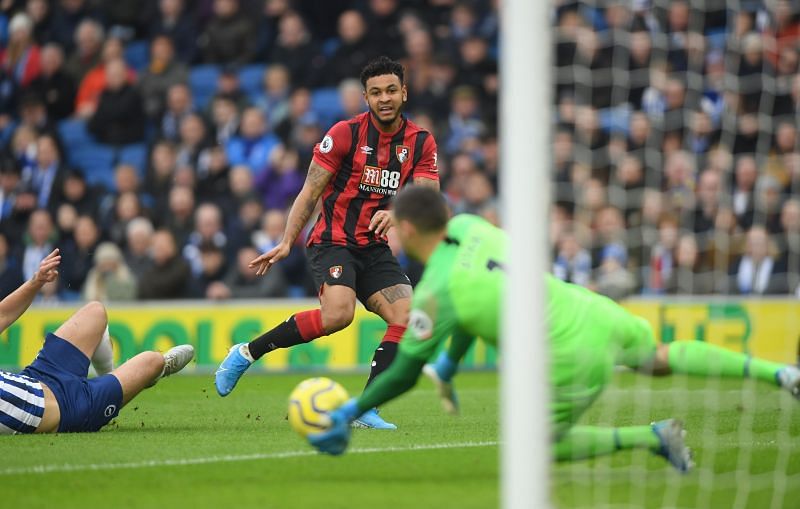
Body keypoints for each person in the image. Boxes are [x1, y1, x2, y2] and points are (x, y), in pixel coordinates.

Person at [307, 186, 800, 471]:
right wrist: (452, 366)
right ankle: (778, 374)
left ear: (407, 231)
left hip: (565, 353)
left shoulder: (436, 290)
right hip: (592, 309)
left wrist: (352, 408)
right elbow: (468, 318)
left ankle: (650, 438)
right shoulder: (474, 226)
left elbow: (402, 375)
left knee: (537, 444)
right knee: (662, 358)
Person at [215, 56, 439, 429]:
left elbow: (429, 197)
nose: (384, 98)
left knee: (408, 315)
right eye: (375, 93)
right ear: (366, 98)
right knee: (338, 315)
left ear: (404, 93)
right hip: (332, 240)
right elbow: (309, 192)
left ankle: (366, 406)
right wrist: (287, 240)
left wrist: (399, 215)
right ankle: (246, 353)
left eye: (391, 91)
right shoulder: (345, 134)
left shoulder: (419, 141)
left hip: (374, 245)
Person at [0, 248, 194, 434]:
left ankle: (110, 379)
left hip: (38, 374)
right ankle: (146, 375)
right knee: (153, 361)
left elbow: (3, 315)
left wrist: (37, 280)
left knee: (95, 312)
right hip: (69, 409)